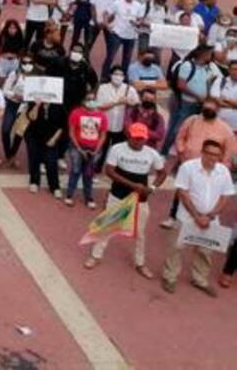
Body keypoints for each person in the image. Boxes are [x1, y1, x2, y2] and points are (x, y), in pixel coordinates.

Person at [84, 123, 167, 276]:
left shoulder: (152, 154)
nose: (138, 141)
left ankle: (140, 263)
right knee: (107, 227)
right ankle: (96, 256)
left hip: (140, 198)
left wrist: (153, 188)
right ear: (129, 136)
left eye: (141, 139)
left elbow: (162, 173)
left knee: (140, 233)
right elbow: (109, 171)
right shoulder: (117, 149)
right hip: (118, 195)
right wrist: (132, 185)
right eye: (135, 138)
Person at [161, 139, 233, 296]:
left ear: (220, 156)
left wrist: (210, 216)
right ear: (202, 152)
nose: (212, 158)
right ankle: (169, 277)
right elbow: (183, 193)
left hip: (211, 220)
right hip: (186, 217)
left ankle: (200, 280)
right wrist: (196, 216)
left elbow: (225, 196)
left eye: (216, 155)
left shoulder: (224, 171)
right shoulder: (188, 167)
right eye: (209, 153)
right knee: (177, 248)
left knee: (206, 251)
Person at [64, 91, 107, 208]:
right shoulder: (76, 113)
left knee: (89, 174)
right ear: (83, 101)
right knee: (75, 171)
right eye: (88, 99)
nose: (91, 102)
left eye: (93, 99)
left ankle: (89, 197)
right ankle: (69, 195)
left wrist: (97, 149)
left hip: (94, 149)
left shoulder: (102, 116)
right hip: (77, 147)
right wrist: (78, 148)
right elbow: (71, 132)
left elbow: (103, 135)